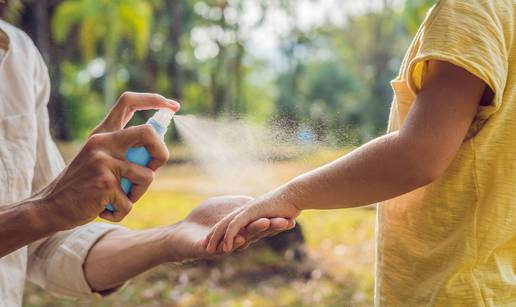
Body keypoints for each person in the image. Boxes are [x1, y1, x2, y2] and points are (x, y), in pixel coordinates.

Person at [205, 0, 516, 305]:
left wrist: (291, 195)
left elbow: (419, 154)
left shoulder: (472, 8)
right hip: (495, 281)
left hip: (451, 289)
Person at [0, 17, 295, 307]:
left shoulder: (19, 59)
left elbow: (50, 246)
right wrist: (46, 209)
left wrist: (172, 237)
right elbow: (43, 216)